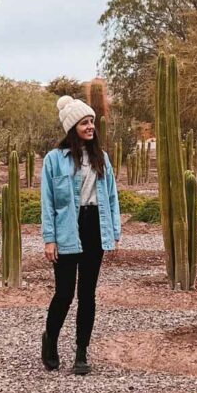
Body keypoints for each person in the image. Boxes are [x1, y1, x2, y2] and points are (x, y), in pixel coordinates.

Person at [39, 95, 121, 374]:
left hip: (94, 226)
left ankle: (81, 353)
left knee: (88, 294)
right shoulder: (54, 160)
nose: (90, 127)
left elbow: (111, 198)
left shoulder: (102, 158)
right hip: (66, 231)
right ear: (72, 126)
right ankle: (50, 340)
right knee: (64, 294)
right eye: (84, 122)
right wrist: (49, 239)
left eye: (92, 122)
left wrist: (115, 234)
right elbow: (47, 202)